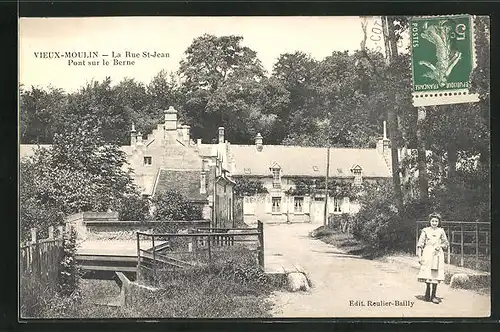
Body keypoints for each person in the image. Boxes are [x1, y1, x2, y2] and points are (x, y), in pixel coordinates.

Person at [417, 212, 449, 304]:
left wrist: (440, 245)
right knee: (427, 273)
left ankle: (434, 295)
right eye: (432, 221)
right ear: (430, 221)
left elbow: (446, 243)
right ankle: (427, 292)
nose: (434, 223)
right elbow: (420, 244)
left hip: (437, 254)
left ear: (439, 222)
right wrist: (419, 256)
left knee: (435, 273)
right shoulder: (425, 230)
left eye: (436, 221)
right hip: (427, 253)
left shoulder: (441, 231)